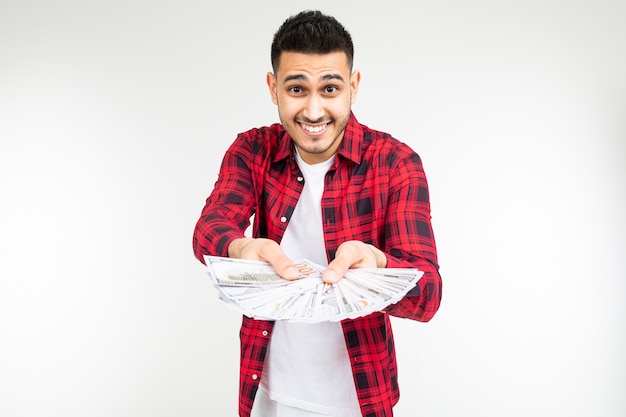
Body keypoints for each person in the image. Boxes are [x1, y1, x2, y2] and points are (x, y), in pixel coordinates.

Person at [193, 10, 442, 417]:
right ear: (273, 87)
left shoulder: (396, 163)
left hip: (358, 400)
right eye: (296, 88)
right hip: (267, 395)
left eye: (329, 88)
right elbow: (208, 230)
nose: (312, 111)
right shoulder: (252, 151)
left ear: (353, 86)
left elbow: (428, 295)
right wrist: (240, 248)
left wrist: (377, 264)